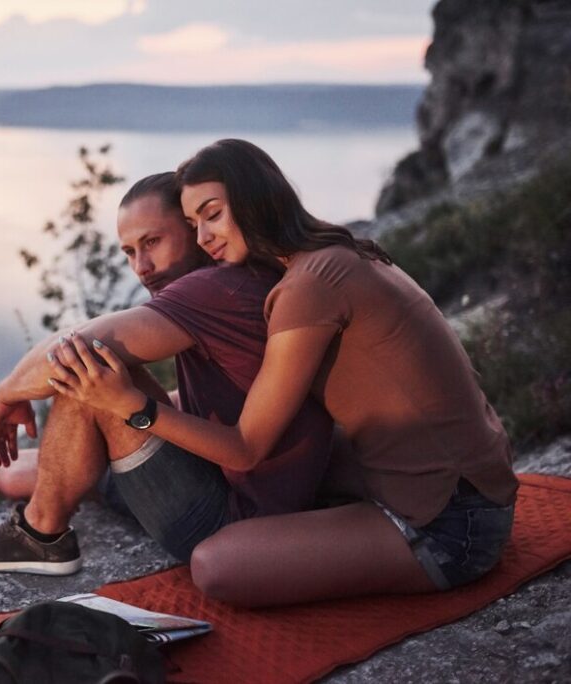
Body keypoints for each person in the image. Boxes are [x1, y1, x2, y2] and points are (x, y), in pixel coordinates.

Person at [46, 139, 518, 606]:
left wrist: (133, 407)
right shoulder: (337, 252)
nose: (204, 237)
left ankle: (37, 524)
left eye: (213, 214)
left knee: (216, 565)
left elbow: (246, 448)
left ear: (255, 198)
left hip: (452, 527)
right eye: (193, 224)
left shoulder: (309, 286)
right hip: (469, 485)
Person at [0, 172, 333, 576]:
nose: (141, 266)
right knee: (88, 433)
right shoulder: (241, 278)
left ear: (194, 231)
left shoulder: (213, 288)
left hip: (235, 523)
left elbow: (76, 348)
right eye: (129, 252)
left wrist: (5, 395)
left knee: (87, 373)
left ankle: (39, 533)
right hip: (237, 486)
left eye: (153, 242)